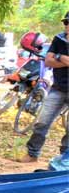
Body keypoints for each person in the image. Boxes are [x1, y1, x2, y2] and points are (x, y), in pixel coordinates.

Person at [24, 11, 69, 162]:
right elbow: (48, 61)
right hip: (58, 87)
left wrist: (58, 58)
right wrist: (62, 57)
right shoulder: (59, 39)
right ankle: (32, 154)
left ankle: (65, 158)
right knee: (42, 121)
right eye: (66, 22)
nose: (67, 26)